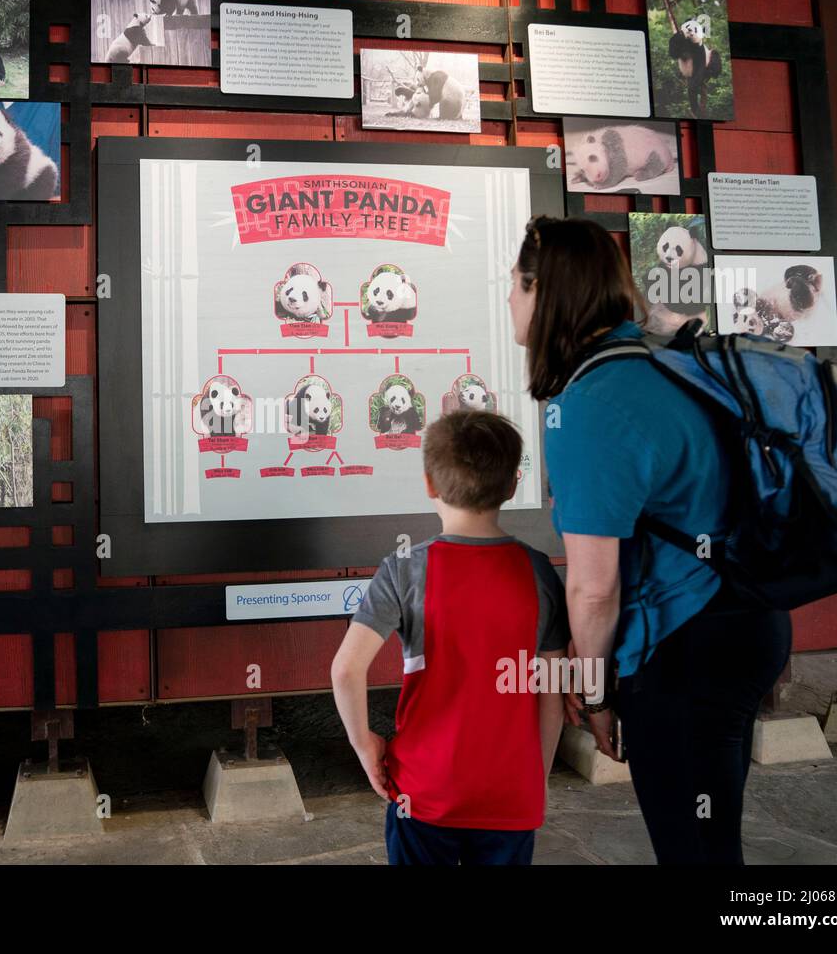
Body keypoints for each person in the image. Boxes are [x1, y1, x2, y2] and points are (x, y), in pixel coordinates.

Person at [507, 215, 791, 864]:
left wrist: (599, 695)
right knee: (710, 830)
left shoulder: (590, 402)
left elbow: (593, 588)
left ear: (544, 291)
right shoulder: (670, 364)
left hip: (686, 646)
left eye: (516, 285)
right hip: (746, 622)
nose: (509, 300)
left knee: (695, 848)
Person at [331, 409, 569, 865]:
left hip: (422, 793)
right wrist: (533, 779)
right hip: (510, 797)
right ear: (513, 486)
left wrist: (365, 745)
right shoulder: (539, 571)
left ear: (429, 483)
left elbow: (345, 667)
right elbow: (551, 694)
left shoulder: (403, 571)